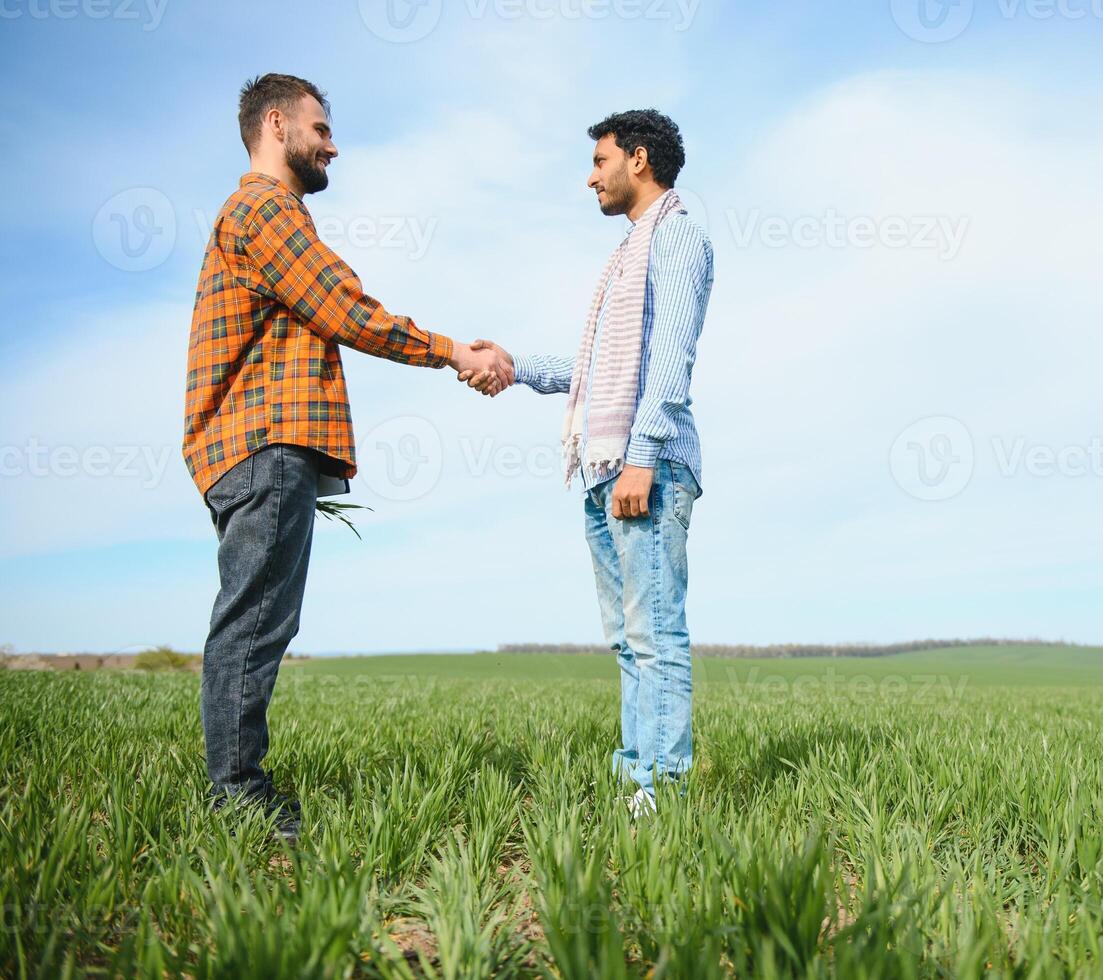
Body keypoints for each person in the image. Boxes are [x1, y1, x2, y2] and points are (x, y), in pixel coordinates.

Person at [183, 73, 510, 841]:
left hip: (255, 448)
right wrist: (453, 352)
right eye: (321, 128)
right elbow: (343, 307)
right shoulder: (264, 210)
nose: (333, 144)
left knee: (260, 618)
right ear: (275, 125)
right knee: (255, 620)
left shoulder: (261, 214)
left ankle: (236, 785)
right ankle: (235, 796)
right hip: (262, 445)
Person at [462, 109, 714, 817]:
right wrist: (515, 368)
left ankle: (662, 794)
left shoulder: (678, 238)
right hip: (608, 470)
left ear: (638, 159)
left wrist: (640, 457)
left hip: (646, 467)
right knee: (629, 641)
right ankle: (636, 778)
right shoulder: (629, 254)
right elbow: (598, 367)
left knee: (655, 632)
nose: (590, 175)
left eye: (600, 160)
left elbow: (669, 356)